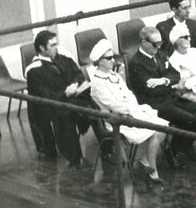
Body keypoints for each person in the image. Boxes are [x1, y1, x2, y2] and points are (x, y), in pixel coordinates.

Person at [89, 39, 170, 183]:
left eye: (112, 57)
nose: (112, 60)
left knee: (163, 127)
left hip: (131, 112)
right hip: (117, 120)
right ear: (99, 61)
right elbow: (113, 105)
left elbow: (129, 94)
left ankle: (146, 162)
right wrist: (134, 110)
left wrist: (136, 109)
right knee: (156, 130)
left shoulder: (114, 75)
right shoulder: (97, 83)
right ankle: (152, 172)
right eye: (108, 58)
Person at [128, 26, 196, 161]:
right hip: (154, 104)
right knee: (190, 119)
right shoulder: (136, 63)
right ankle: (174, 147)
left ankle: (182, 145)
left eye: (160, 43)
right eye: (155, 44)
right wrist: (169, 84)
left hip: (170, 97)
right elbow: (151, 91)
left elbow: (175, 74)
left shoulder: (159, 54)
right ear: (144, 42)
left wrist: (163, 80)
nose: (158, 47)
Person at [24, 30, 91, 166]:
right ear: (42, 48)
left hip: (72, 96)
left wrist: (75, 84)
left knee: (95, 106)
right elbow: (44, 95)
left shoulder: (62, 58)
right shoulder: (34, 71)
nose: (56, 47)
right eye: (52, 45)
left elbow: (78, 74)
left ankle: (106, 147)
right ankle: (75, 158)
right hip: (54, 104)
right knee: (67, 114)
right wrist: (65, 93)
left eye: (56, 44)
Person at [166, 24, 196, 101]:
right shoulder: (173, 60)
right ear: (177, 40)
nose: (189, 39)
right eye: (186, 37)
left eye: (189, 36)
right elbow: (180, 86)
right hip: (190, 93)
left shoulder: (194, 51)